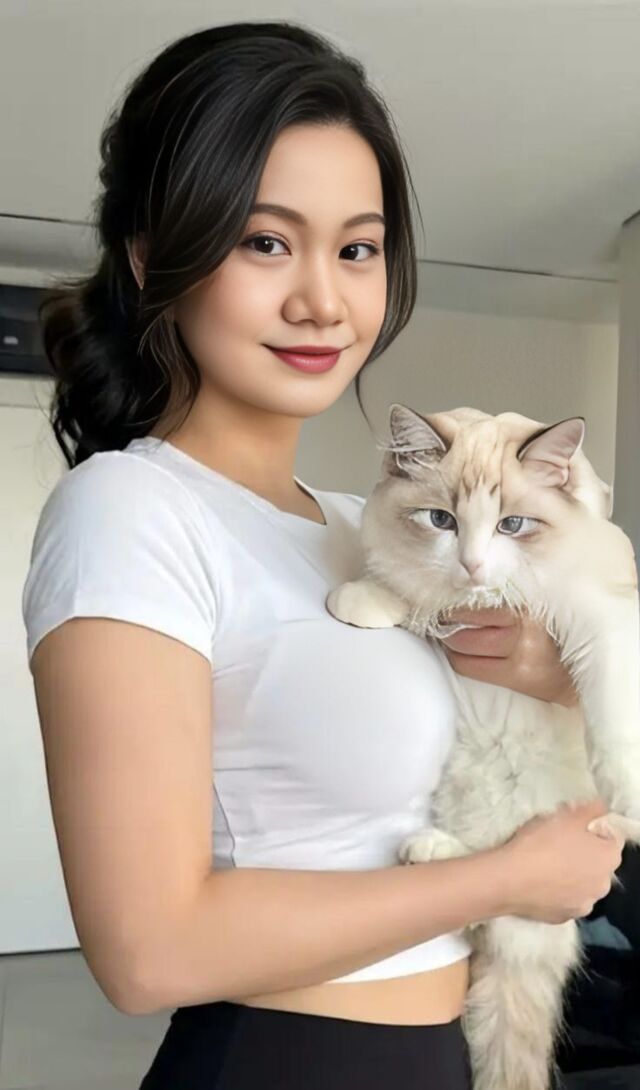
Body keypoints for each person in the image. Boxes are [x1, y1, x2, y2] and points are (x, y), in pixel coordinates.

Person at [22, 21, 624, 1090]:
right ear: (153, 259)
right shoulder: (130, 509)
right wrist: (505, 879)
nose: (322, 301)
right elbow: (147, 951)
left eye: (357, 249)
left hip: (441, 1050)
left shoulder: (366, 528)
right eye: (265, 242)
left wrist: (556, 673)